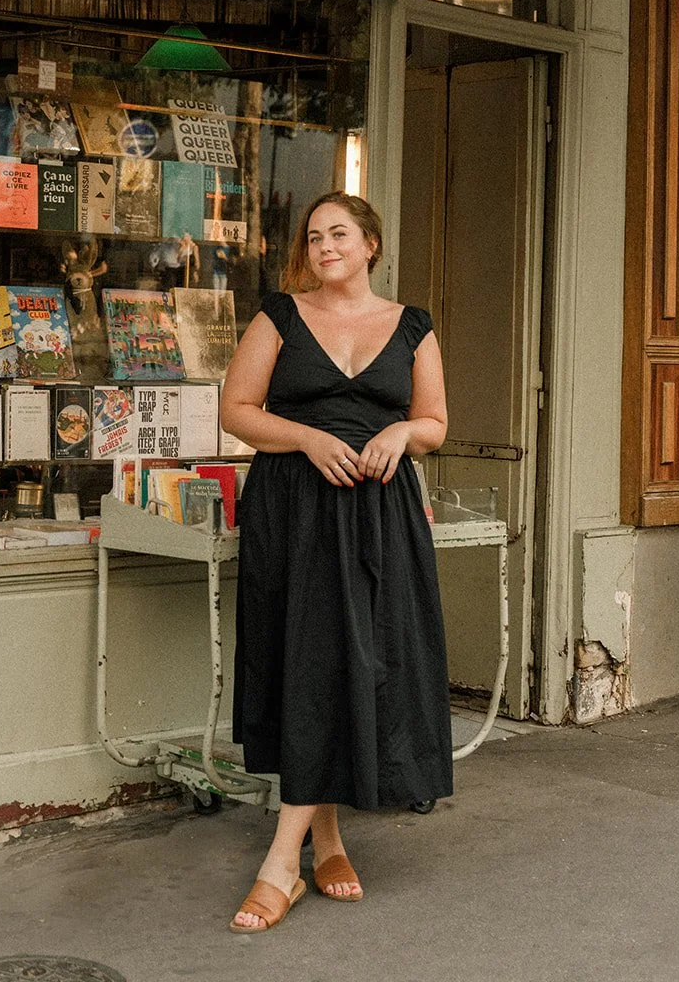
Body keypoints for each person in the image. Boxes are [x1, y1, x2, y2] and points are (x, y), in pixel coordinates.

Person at [221, 191, 452, 934]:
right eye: (315, 236)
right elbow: (236, 410)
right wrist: (308, 439)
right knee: (310, 662)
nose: (325, 246)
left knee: (353, 661)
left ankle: (307, 849)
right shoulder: (280, 316)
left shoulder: (412, 326)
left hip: (379, 515)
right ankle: (297, 855)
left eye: (340, 234)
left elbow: (435, 423)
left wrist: (401, 434)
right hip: (294, 509)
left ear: (370, 244)